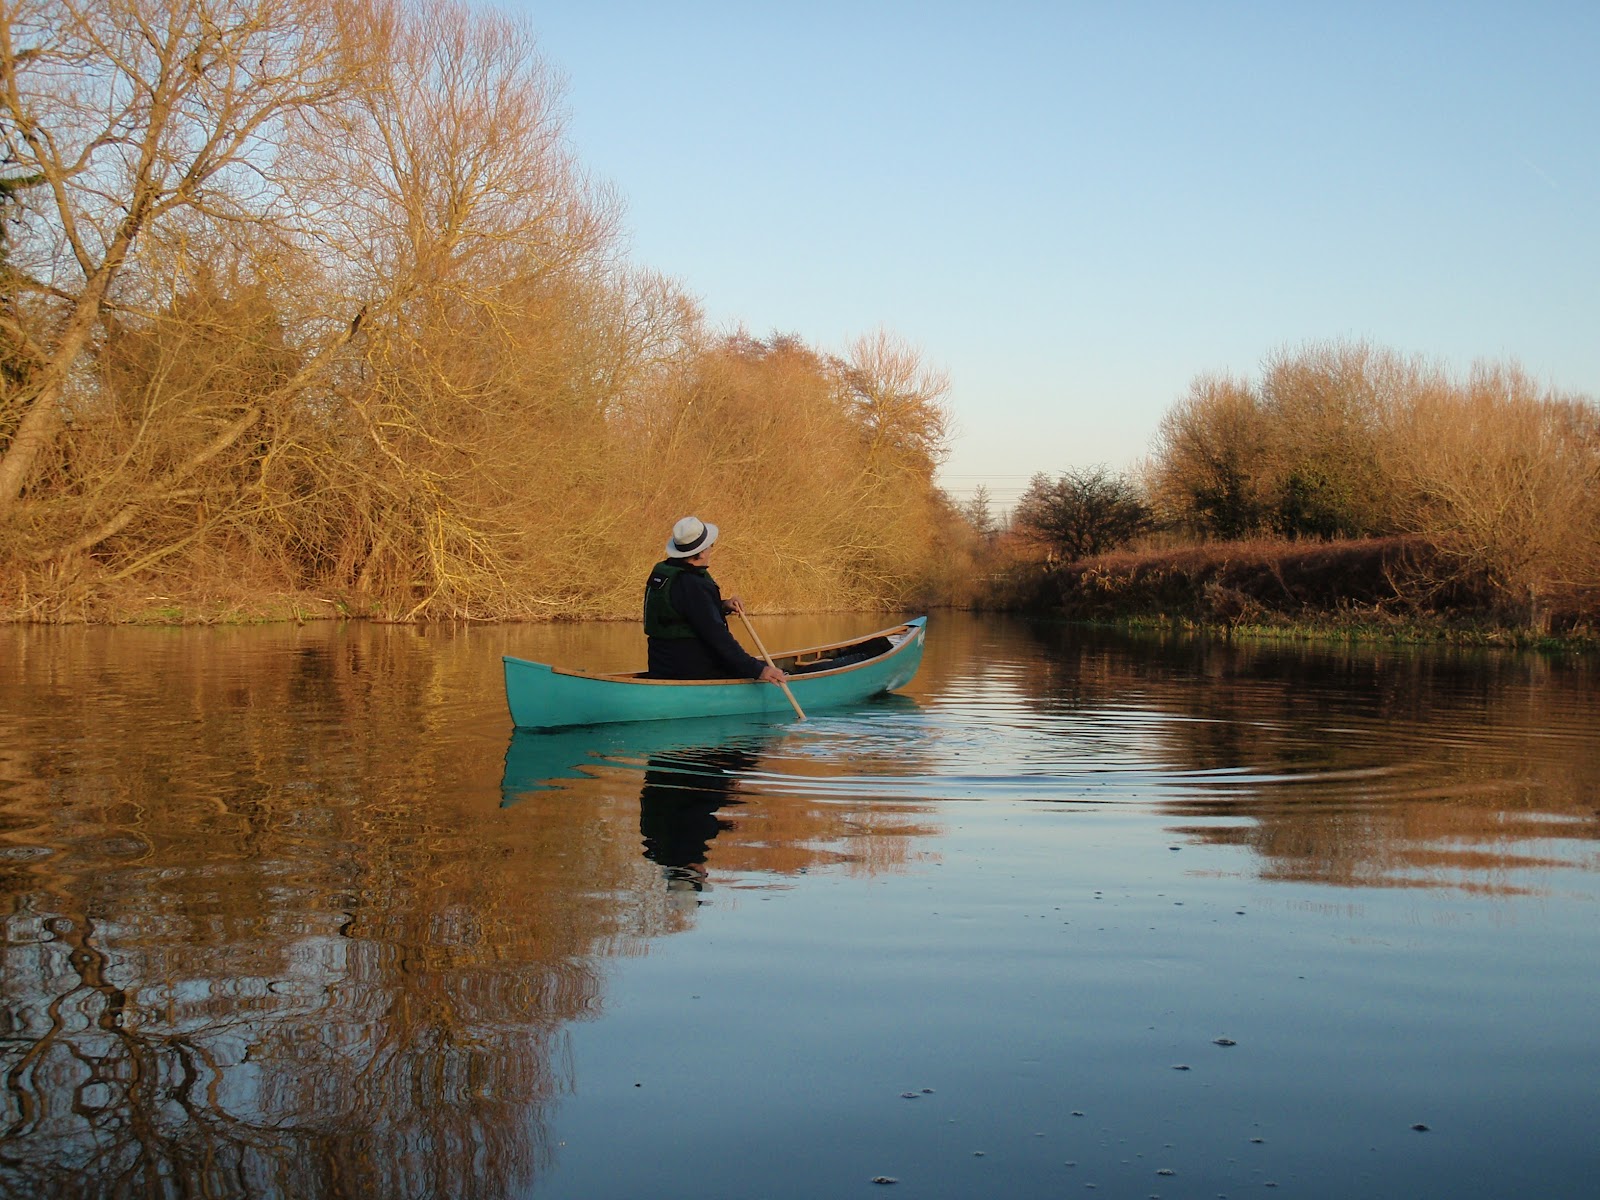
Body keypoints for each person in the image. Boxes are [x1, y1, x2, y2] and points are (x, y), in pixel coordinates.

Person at [643, 516, 788, 684]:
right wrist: (758, 670)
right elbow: (718, 637)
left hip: (661, 667)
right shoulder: (693, 584)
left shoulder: (665, 572)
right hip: (692, 670)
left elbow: (684, 611)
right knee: (774, 670)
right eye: (711, 545)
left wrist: (723, 606)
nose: (711, 549)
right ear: (702, 552)